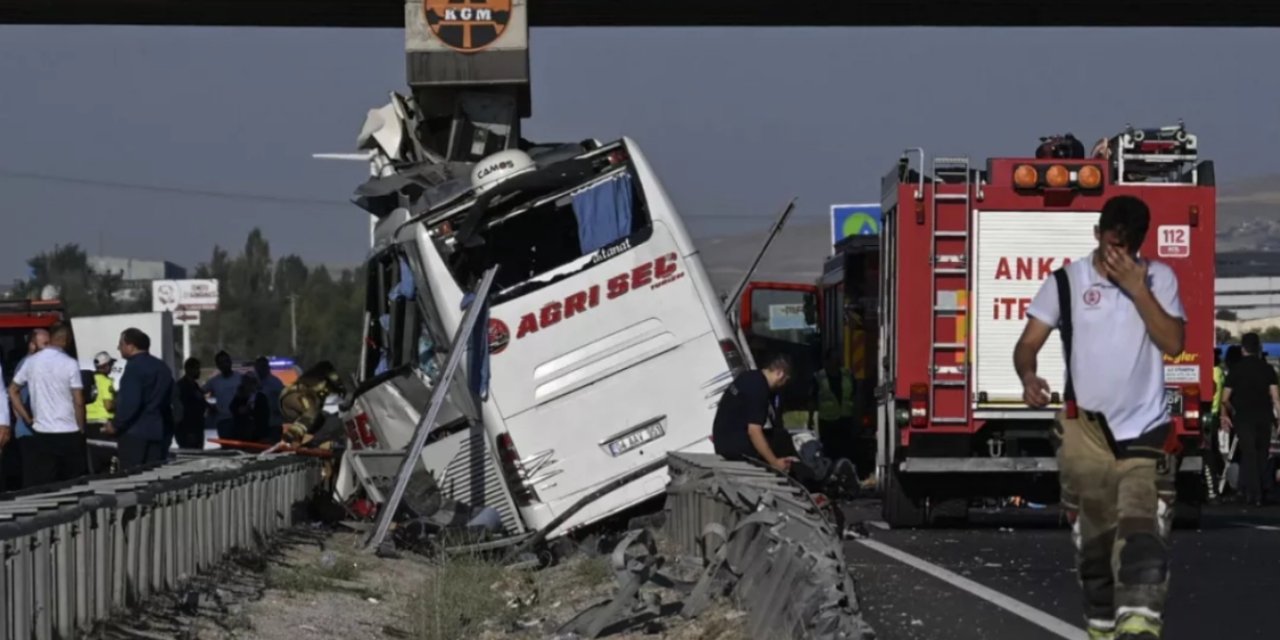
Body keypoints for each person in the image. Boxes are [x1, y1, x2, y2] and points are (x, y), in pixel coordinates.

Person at [1014, 195, 1185, 640]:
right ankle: (1102, 627)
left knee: (1141, 537)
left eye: (1126, 249)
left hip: (1144, 432)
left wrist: (1138, 289)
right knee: (1096, 548)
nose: (1117, 257)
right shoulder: (1066, 283)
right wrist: (1029, 376)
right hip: (1085, 432)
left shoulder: (1159, 279)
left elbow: (1172, 342)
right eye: (1111, 246)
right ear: (1097, 235)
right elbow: (1028, 342)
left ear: (1141, 244)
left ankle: (1139, 627)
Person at [6, 323, 88, 487]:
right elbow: (78, 400)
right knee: (74, 483)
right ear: (67, 340)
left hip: (42, 431)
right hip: (69, 430)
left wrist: (28, 418)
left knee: (45, 483)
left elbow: (12, 390)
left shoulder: (31, 362)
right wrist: (81, 427)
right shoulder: (70, 363)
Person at [1220, 332, 1279, 507]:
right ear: (1259, 348)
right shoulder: (1267, 369)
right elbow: (1276, 398)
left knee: (1249, 453)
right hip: (1264, 417)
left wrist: (1227, 413)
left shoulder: (1236, 370)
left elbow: (1225, 397)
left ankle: (1252, 494)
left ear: (1243, 348)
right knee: (1261, 454)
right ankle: (1258, 490)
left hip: (1243, 418)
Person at [711, 353, 797, 473]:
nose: (784, 385)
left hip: (722, 442)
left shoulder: (748, 376)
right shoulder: (760, 389)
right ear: (780, 373)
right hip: (736, 450)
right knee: (783, 441)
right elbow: (754, 431)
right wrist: (774, 462)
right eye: (786, 380)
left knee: (778, 437)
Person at [108, 328, 175, 469]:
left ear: (131, 346)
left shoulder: (134, 368)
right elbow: (173, 398)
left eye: (121, 344)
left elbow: (130, 402)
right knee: (153, 475)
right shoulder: (162, 367)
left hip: (134, 433)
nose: (118, 348)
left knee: (131, 477)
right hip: (157, 431)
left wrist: (115, 425)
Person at [810, 349, 856, 464]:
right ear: (827, 361)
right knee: (829, 451)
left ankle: (844, 471)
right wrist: (811, 418)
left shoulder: (847, 374)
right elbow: (812, 399)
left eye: (838, 360)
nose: (836, 362)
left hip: (845, 419)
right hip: (827, 421)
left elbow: (856, 394)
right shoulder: (819, 377)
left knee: (845, 450)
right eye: (834, 360)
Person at [203, 351, 242, 440]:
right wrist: (209, 406)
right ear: (218, 365)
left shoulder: (240, 378)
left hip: (239, 420)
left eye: (226, 361)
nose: (224, 365)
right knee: (226, 448)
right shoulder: (214, 381)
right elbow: (198, 393)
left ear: (230, 362)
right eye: (221, 363)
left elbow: (252, 394)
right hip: (223, 420)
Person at [174, 358, 207, 449]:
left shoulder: (195, 386)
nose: (199, 371)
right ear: (189, 369)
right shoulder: (182, 386)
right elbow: (184, 410)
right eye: (196, 369)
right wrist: (189, 431)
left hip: (197, 427)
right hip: (188, 429)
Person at [253, 357, 285, 442]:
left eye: (263, 366)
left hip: (273, 424)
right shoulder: (253, 382)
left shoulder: (275, 383)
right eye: (258, 367)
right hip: (257, 425)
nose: (260, 369)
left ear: (268, 367)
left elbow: (284, 400)